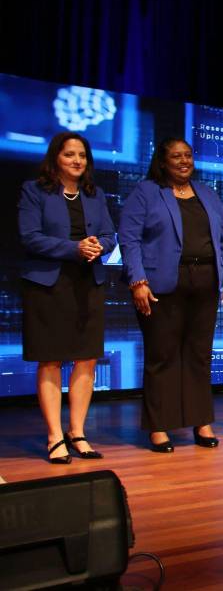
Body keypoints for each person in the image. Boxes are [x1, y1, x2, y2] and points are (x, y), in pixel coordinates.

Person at [119, 137, 223, 452]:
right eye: (176, 156)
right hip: (160, 284)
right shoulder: (146, 192)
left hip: (205, 281)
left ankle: (202, 422)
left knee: (199, 355)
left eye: (188, 155)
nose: (184, 161)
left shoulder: (207, 193)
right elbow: (129, 239)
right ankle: (159, 426)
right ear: (162, 161)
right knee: (162, 355)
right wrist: (137, 281)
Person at [17, 132, 115, 463]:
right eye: (69, 154)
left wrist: (99, 246)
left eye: (82, 155)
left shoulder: (95, 194)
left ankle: (77, 432)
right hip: (48, 285)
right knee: (51, 359)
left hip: (88, 283)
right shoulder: (34, 190)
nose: (77, 160)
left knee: (87, 358)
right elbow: (30, 237)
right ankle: (54, 436)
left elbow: (109, 235)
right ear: (55, 158)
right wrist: (74, 248)